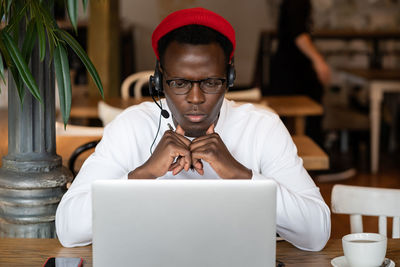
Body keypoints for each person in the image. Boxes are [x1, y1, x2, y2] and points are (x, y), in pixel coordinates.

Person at [56, 7, 330, 251]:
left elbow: (316, 234)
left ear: (230, 77)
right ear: (160, 79)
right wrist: (143, 174)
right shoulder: (131, 126)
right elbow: (68, 230)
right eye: (179, 83)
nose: (196, 98)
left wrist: (242, 175)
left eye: (211, 82)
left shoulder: (262, 128)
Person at [269, 0, 331, 144]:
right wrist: (319, 61)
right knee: (306, 118)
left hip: (290, 67)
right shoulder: (297, 3)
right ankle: (315, 164)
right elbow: (299, 35)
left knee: (292, 119)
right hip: (291, 69)